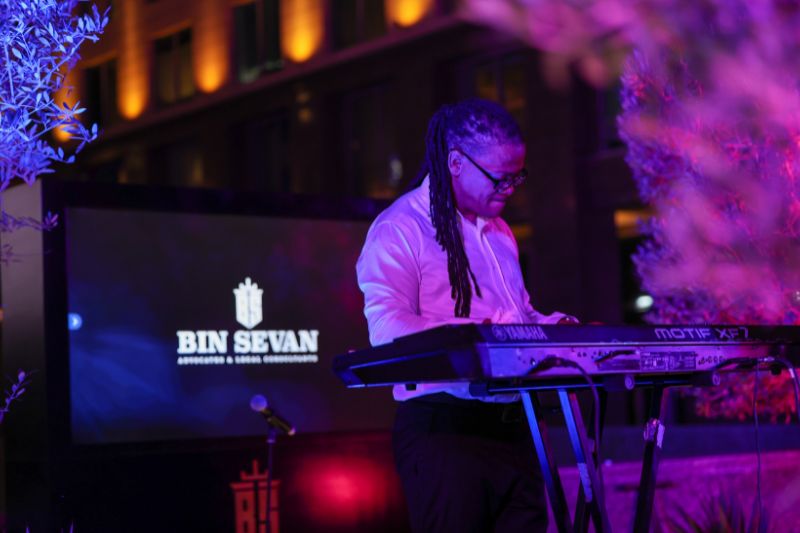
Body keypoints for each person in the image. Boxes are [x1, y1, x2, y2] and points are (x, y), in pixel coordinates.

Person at [356, 98, 575, 532]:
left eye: (518, 176)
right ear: (455, 163)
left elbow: (517, 316)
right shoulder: (400, 228)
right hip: (446, 429)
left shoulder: (499, 231)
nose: (510, 188)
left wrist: (556, 329)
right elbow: (385, 329)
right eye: (500, 177)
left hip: (517, 423)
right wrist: (473, 338)